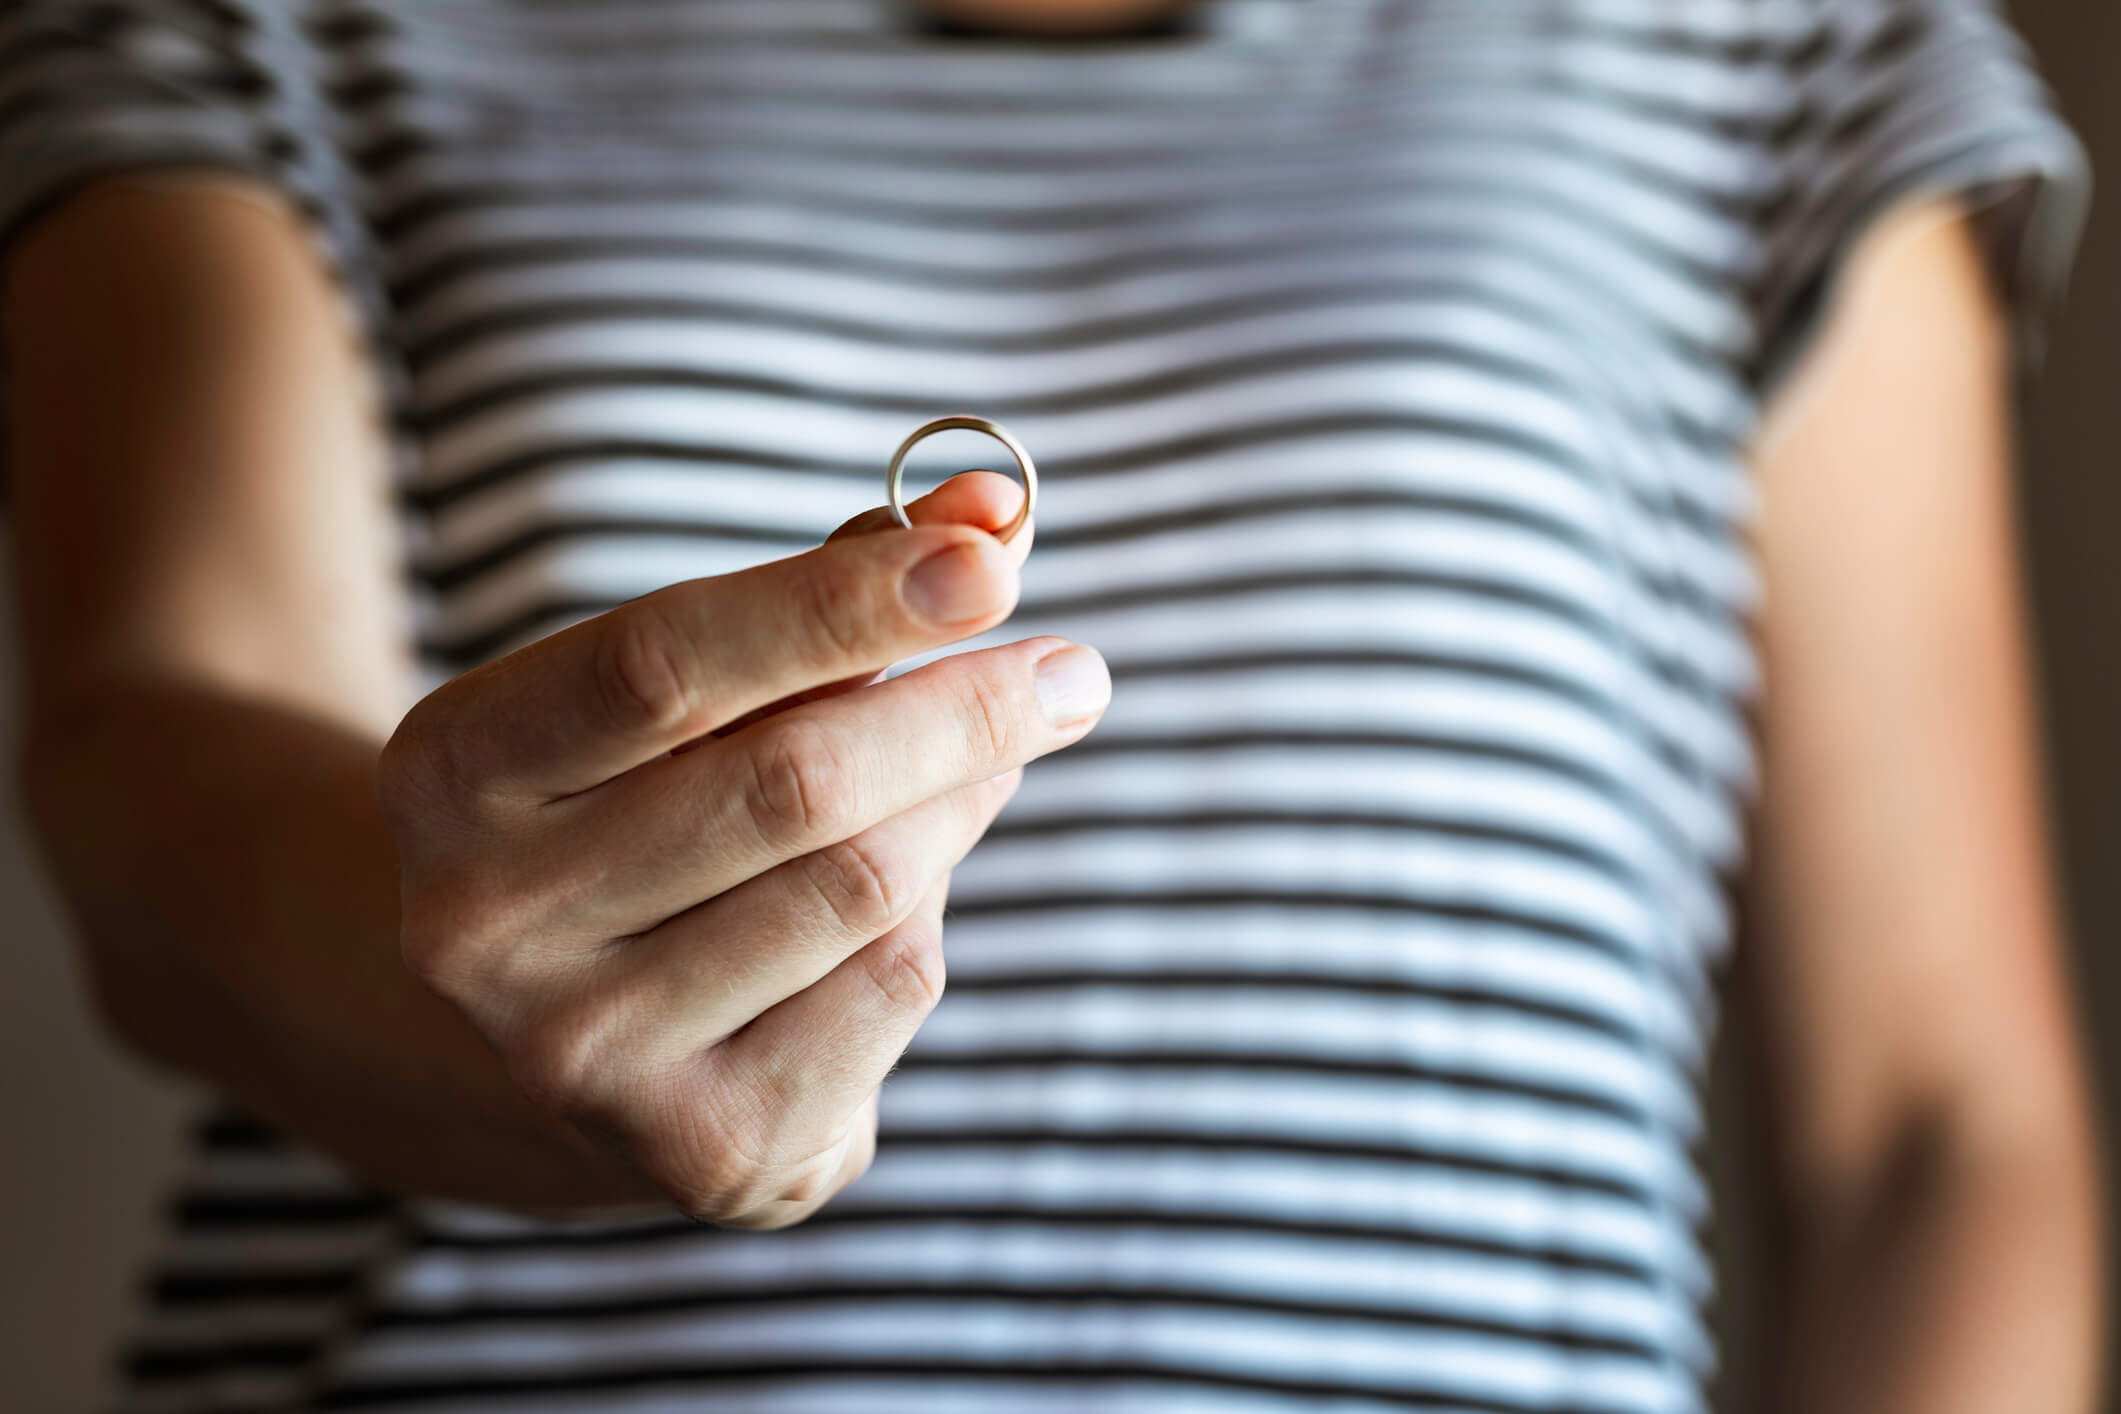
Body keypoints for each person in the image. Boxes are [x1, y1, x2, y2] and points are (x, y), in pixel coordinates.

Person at [0, 0, 2103, 1409]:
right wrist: (486, 995)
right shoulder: (265, 21)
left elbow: (1933, 1133)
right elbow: (159, 773)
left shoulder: (1771, 41)